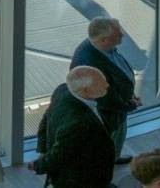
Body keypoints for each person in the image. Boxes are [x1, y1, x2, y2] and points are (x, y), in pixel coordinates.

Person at [31, 66, 117, 188]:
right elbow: (59, 154)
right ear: (85, 91)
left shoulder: (62, 91)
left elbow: (46, 119)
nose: (106, 84)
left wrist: (43, 150)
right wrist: (38, 165)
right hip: (83, 179)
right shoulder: (78, 123)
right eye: (101, 82)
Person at [70, 16, 139, 161]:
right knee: (105, 148)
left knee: (116, 139)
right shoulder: (88, 61)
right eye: (118, 34)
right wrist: (130, 104)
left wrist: (129, 95)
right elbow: (104, 97)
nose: (123, 35)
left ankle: (114, 158)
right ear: (104, 40)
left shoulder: (102, 46)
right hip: (107, 117)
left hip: (118, 111)